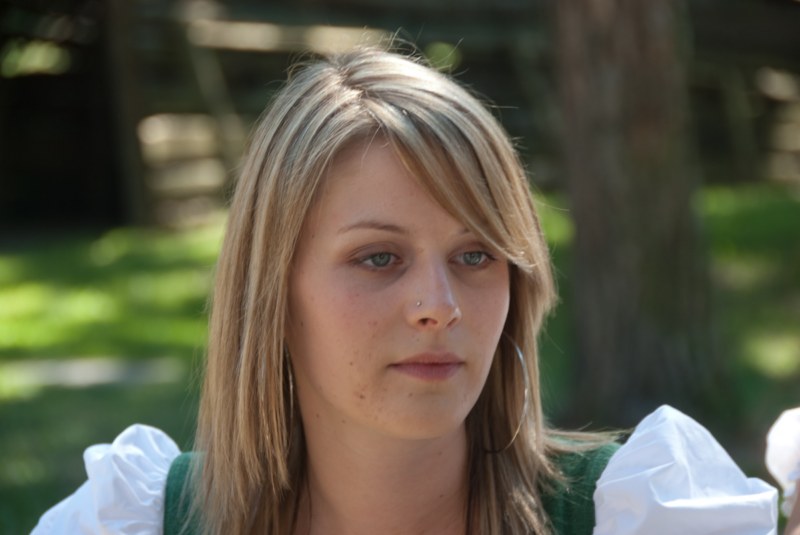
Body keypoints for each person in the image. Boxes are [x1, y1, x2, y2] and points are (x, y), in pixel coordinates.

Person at [32, 46, 788, 534]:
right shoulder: (135, 518)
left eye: (475, 254)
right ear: (273, 294)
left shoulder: (638, 513)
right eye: (379, 258)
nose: (439, 305)